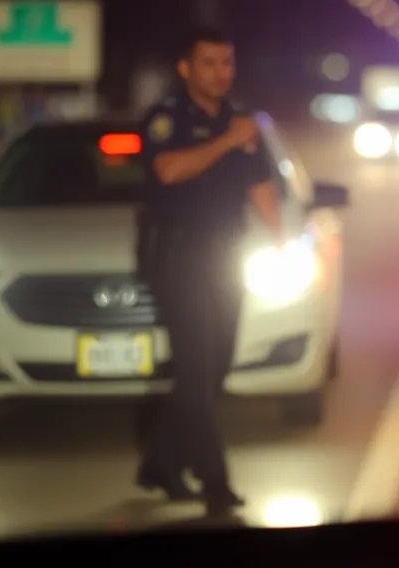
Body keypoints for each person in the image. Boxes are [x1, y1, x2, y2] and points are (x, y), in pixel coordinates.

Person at [133, 27, 285, 514]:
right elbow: (169, 170)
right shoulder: (166, 118)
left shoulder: (240, 123)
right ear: (186, 68)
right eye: (210, 63)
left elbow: (259, 183)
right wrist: (226, 141)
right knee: (197, 371)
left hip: (226, 257)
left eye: (227, 63)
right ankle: (215, 481)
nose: (222, 73)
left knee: (215, 367)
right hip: (179, 257)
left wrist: (280, 238)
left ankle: (159, 463)